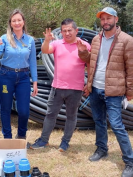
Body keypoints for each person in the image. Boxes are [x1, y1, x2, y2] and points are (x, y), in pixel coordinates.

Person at [77, 7, 133, 177]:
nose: (105, 22)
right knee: (98, 121)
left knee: (117, 126)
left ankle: (131, 162)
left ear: (116, 19)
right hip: (96, 88)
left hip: (114, 90)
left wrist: (130, 91)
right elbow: (91, 61)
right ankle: (102, 149)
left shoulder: (127, 41)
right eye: (102, 19)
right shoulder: (96, 39)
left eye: (108, 18)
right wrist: (83, 51)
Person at [29, 18, 91, 151]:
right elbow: (45, 50)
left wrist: (89, 82)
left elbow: (91, 65)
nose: (67, 33)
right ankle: (44, 140)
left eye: (70, 30)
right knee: (50, 114)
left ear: (76, 30)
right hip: (57, 87)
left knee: (71, 116)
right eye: (64, 31)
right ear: (61, 32)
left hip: (75, 89)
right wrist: (46, 40)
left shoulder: (84, 45)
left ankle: (65, 142)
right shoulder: (57, 44)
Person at [0, 9, 38, 139]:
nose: (17, 23)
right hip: (6, 77)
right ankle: (8, 138)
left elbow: (32, 62)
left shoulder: (30, 41)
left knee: (23, 111)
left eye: (19, 20)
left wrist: (35, 81)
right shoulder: (4, 39)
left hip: (23, 78)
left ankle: (21, 137)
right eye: (14, 21)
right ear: (10, 23)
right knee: (5, 109)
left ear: (23, 22)